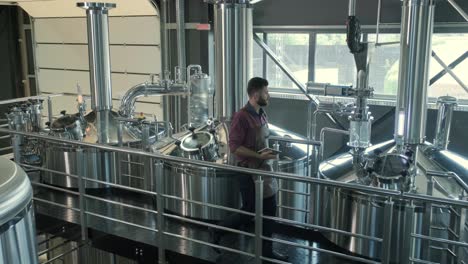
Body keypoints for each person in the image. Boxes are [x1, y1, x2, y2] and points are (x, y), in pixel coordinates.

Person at [210, 77, 288, 261]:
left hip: (263, 170)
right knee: (249, 210)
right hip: (246, 171)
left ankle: (266, 252)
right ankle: (216, 230)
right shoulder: (241, 116)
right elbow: (234, 146)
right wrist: (260, 156)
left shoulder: (261, 114)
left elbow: (260, 141)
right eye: (265, 92)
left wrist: (267, 152)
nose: (268, 95)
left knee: (270, 209)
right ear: (255, 94)